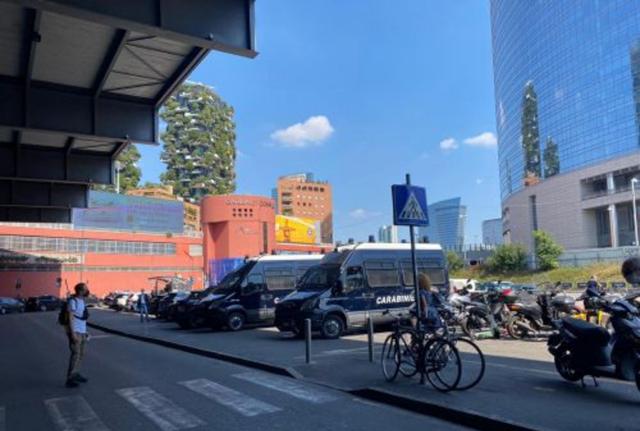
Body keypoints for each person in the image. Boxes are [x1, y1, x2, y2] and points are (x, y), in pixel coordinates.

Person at [65, 283, 90, 388]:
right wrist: (73, 334)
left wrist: (86, 331)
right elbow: (70, 318)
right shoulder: (73, 301)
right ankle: (69, 379)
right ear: (80, 291)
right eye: (86, 289)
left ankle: (76, 373)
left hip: (82, 331)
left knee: (81, 354)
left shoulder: (82, 301)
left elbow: (82, 318)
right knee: (75, 355)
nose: (87, 291)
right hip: (75, 332)